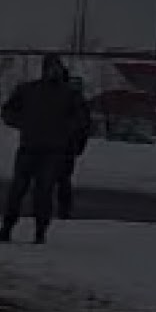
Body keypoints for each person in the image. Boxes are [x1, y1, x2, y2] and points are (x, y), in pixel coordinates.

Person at [0, 54, 90, 245]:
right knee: (17, 190)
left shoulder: (69, 94)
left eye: (56, 67)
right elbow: (8, 111)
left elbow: (82, 119)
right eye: (50, 67)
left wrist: (65, 130)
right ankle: (7, 228)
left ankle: (40, 232)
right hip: (29, 148)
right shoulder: (29, 90)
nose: (53, 71)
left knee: (43, 192)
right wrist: (23, 122)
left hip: (53, 152)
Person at [55, 76, 91, 219]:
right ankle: (64, 210)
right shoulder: (80, 103)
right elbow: (84, 128)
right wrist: (79, 146)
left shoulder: (60, 100)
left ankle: (53, 209)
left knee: (51, 179)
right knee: (64, 179)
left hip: (60, 145)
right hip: (68, 146)